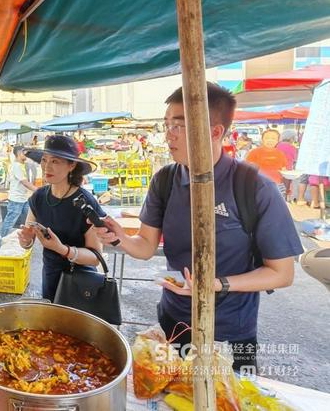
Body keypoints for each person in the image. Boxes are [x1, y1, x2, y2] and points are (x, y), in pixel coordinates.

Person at [92, 83, 303, 371]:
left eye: (179, 125)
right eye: (167, 124)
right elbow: (145, 246)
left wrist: (216, 285)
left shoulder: (253, 187)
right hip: (173, 322)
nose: (169, 134)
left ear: (215, 131)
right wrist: (119, 238)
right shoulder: (165, 180)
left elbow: (282, 273)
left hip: (229, 331)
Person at [18, 135, 106, 301]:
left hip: (80, 282)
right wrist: (26, 240)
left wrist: (62, 249)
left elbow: (96, 258)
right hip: (50, 275)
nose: (47, 167)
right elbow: (27, 238)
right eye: (44, 160)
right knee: (51, 324)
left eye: (55, 161)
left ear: (71, 165)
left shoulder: (85, 203)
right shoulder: (38, 197)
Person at [0, 146, 37, 237]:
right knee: (10, 221)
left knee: (29, 220)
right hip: (16, 199)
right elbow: (24, 182)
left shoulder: (22, 165)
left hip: (24, 198)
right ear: (20, 154)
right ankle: (2, 238)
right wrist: (38, 190)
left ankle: (25, 238)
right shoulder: (16, 166)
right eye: (25, 153)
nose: (27, 155)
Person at [246, 129, 288, 195]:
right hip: (259, 184)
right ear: (262, 139)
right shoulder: (254, 152)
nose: (270, 140)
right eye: (267, 138)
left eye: (273, 138)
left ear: (278, 141)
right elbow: (247, 167)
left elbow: (284, 169)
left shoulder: (281, 154)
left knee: (278, 201)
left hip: (277, 184)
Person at [276, 130, 298, 201]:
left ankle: (277, 197)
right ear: (292, 138)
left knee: (277, 183)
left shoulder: (277, 145)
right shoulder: (293, 148)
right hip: (288, 168)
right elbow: (295, 158)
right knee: (286, 185)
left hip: (277, 167)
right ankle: (284, 199)